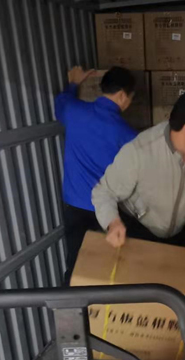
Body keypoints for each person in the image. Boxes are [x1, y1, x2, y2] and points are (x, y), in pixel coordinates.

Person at [91, 90, 185, 259]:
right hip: (137, 231)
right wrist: (112, 223)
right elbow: (104, 192)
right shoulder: (140, 151)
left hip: (181, 234)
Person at [55, 66, 137, 285]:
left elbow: (61, 102)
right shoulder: (128, 135)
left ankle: (72, 303)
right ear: (122, 95)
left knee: (76, 265)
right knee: (111, 267)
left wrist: (74, 83)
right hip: (110, 212)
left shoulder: (73, 112)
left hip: (75, 206)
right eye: (130, 98)